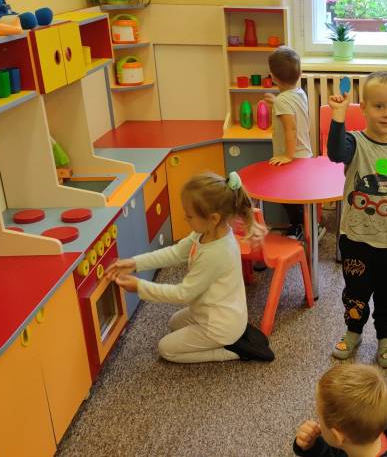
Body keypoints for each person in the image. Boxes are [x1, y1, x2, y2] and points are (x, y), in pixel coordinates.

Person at [106, 172, 268, 363]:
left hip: (220, 326)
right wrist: (135, 263)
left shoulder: (216, 253)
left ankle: (234, 351)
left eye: (189, 216)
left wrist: (140, 287)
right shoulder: (206, 233)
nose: (185, 219)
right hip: (216, 312)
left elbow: (183, 294)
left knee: (166, 349)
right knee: (174, 323)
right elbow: (175, 253)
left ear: (213, 218)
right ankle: (231, 336)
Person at [327, 71, 387, 368]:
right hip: (356, 238)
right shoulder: (354, 143)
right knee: (355, 292)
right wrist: (339, 116)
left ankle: (385, 338)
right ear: (365, 108)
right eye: (379, 106)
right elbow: (335, 153)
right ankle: (353, 332)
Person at [293, 364, 387, 457]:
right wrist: (312, 446)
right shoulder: (368, 430)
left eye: (319, 416)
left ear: (337, 436)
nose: (317, 421)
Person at [264, 46, 314, 240]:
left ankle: (299, 227)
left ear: (273, 77)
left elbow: (290, 129)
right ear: (299, 74)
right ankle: (307, 225)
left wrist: (287, 156)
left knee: (288, 197)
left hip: (294, 158)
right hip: (303, 154)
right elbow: (290, 109)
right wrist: (276, 102)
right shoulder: (299, 93)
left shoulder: (283, 101)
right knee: (296, 196)